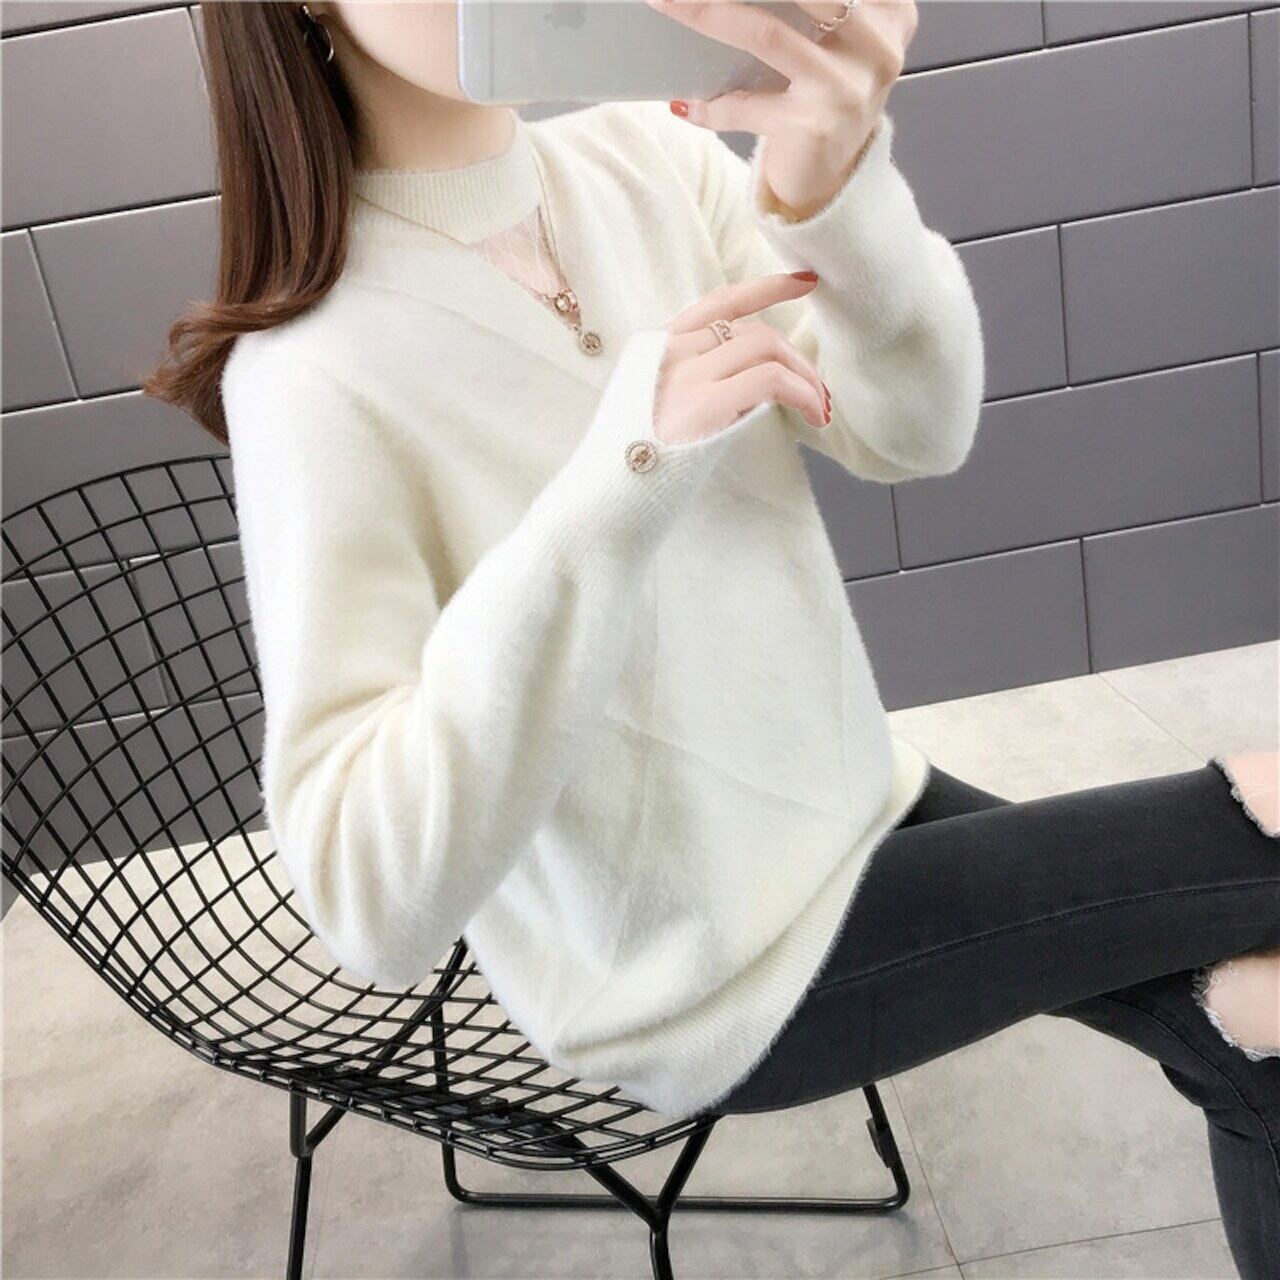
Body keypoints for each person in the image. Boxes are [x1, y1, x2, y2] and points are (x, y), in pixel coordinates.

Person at [141, 2, 1280, 1274]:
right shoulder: (311, 367)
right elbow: (368, 900)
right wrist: (618, 481)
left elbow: (916, 430)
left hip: (861, 813)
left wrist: (835, 193)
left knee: (1265, 1033)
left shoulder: (651, 161)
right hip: (704, 975)